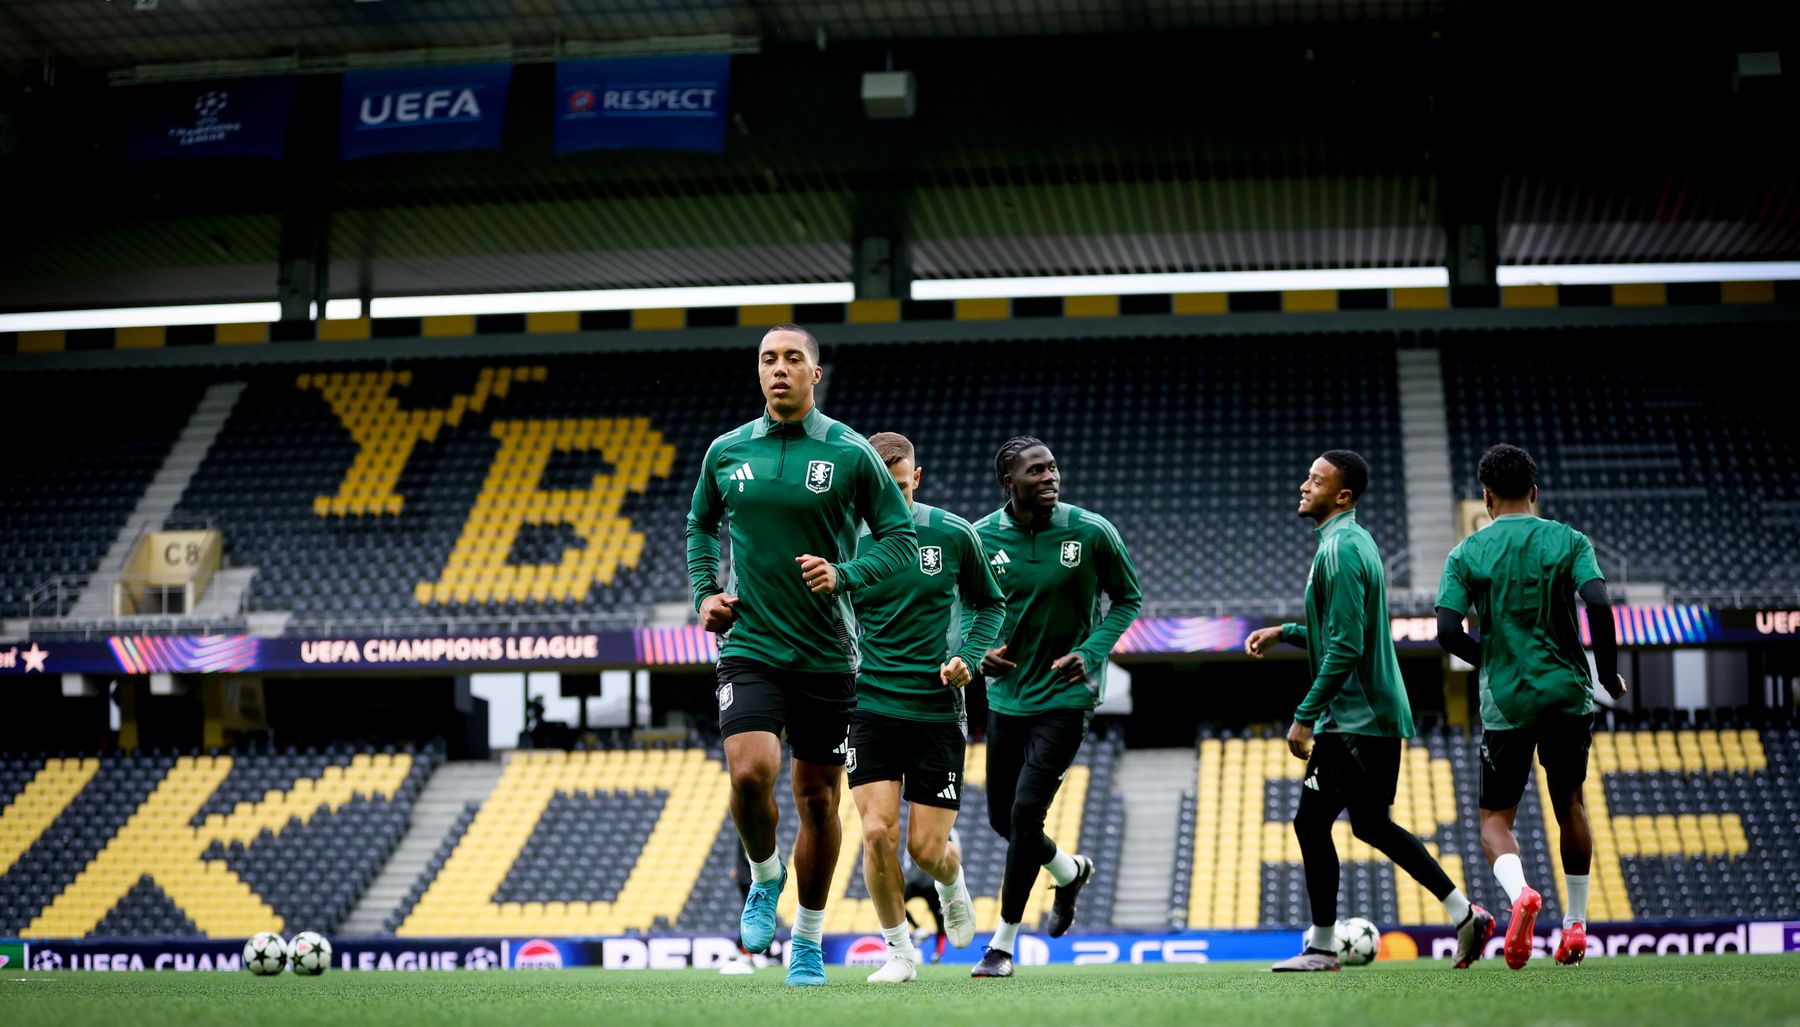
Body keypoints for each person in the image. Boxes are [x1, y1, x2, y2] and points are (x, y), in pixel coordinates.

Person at [686, 324, 919, 987]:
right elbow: (699, 523)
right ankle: (765, 877)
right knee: (750, 771)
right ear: (758, 373)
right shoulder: (726, 451)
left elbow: (898, 537)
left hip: (827, 654)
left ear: (817, 374)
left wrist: (844, 575)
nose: (780, 368)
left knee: (818, 801)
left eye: (794, 358)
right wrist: (706, 592)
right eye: (769, 359)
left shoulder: (850, 451)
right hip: (752, 642)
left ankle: (808, 943)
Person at [1245, 450, 1494, 972]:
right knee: (1371, 825)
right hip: (1373, 713)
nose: (1303, 484)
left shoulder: (1339, 549)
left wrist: (1305, 714)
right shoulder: (1348, 542)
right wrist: (1287, 632)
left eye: (1316, 479)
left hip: (1354, 716)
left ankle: (1320, 947)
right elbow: (1340, 629)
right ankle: (1465, 913)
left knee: (1311, 825)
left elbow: (1348, 645)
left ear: (1343, 495)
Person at [1435, 443, 1628, 969]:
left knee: (1495, 819)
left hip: (1508, 700)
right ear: (1535, 493)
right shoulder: (1568, 539)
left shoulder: (1466, 553)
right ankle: (1575, 928)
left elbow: (1448, 632)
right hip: (1568, 692)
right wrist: (1606, 672)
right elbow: (1601, 604)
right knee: (1571, 805)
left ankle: (1521, 895)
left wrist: (1492, 660)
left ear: (1487, 496)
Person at [967, 436, 1142, 979]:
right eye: (1036, 471)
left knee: (1023, 815)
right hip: (1006, 696)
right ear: (1009, 482)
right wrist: (974, 652)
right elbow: (958, 602)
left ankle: (1001, 944)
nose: (1050, 477)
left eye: (1053, 468)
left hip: (1067, 697)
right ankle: (1068, 872)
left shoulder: (1091, 530)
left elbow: (1129, 598)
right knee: (1002, 818)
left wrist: (1090, 653)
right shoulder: (980, 538)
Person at [844, 432, 1001, 983]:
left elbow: (990, 605)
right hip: (869, 706)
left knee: (926, 849)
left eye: (901, 477)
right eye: (880, 479)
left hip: (937, 711)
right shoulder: (846, 538)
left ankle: (950, 879)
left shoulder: (953, 533)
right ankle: (899, 953)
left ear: (917, 477)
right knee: (877, 834)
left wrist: (969, 658)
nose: (892, 487)